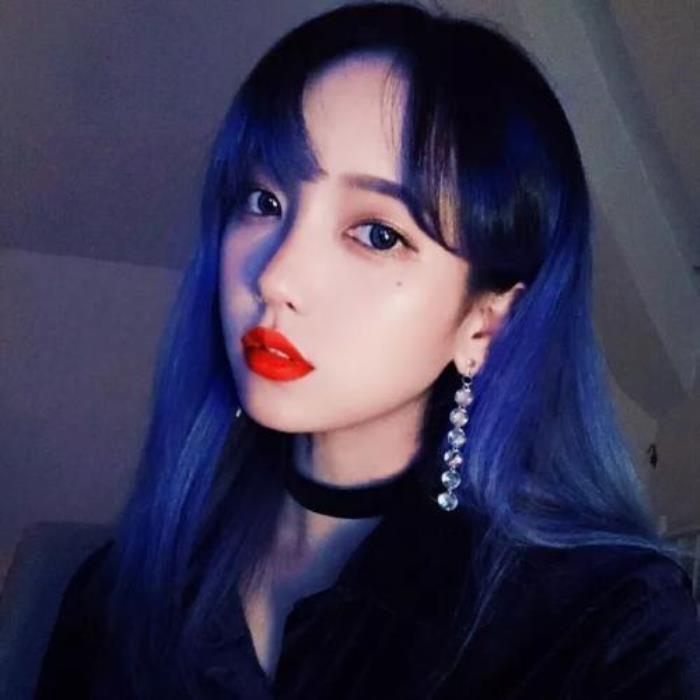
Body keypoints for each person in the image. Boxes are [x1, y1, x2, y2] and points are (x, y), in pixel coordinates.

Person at [35, 2, 700, 698]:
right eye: (264, 200)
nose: (276, 277)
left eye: (378, 234)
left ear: (486, 323)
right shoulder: (115, 597)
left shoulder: (603, 627)